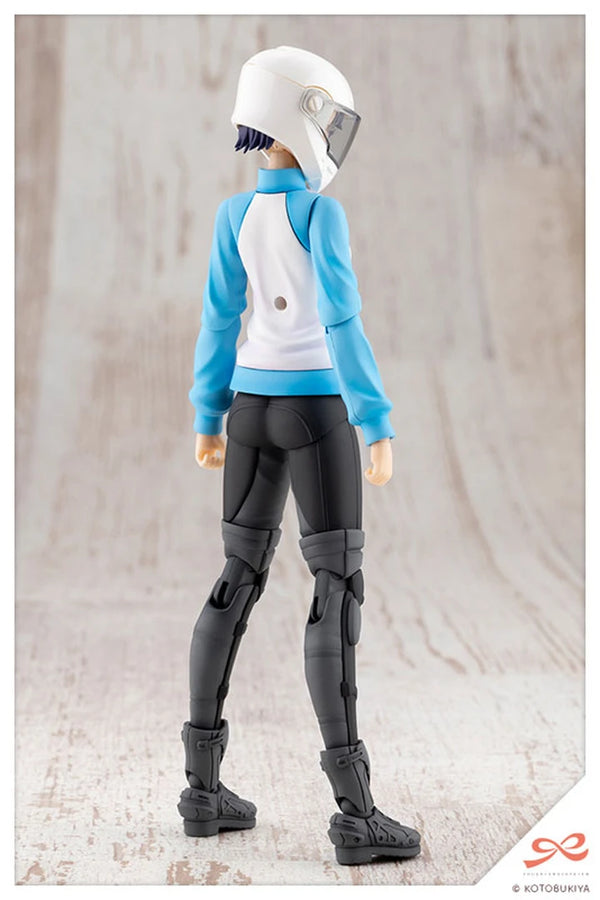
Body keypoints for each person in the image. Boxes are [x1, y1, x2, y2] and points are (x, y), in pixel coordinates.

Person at [177, 45, 421, 866]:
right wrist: (375, 420)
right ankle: (356, 812)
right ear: (301, 117)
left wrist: (209, 415)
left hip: (249, 409)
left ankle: (202, 791)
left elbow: (219, 319)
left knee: (234, 580)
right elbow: (343, 321)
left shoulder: (232, 216)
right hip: (317, 413)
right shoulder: (321, 216)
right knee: (335, 587)